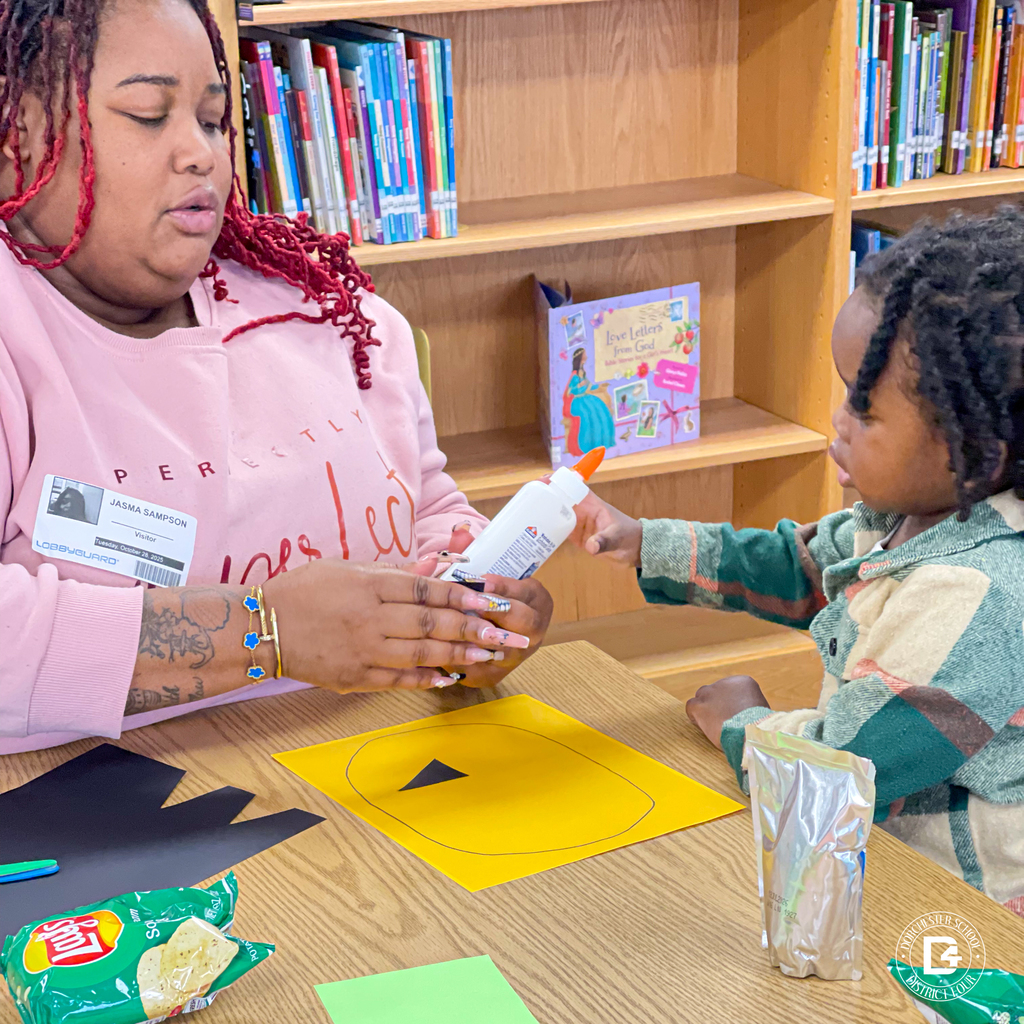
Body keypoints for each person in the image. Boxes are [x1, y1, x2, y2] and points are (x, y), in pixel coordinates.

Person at [0, 0, 552, 753]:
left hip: (372, 771)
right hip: (87, 805)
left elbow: (425, 506)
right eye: (147, 113)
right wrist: (264, 632)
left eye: (213, 118)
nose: (199, 153)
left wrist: (476, 605)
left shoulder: (323, 308)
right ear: (15, 138)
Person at [570, 210, 1024, 916]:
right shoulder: (915, 516)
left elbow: (842, 777)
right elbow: (804, 566)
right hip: (880, 864)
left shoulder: (972, 595)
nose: (836, 420)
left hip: (958, 922)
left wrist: (745, 723)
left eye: (865, 409)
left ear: (975, 449)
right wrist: (645, 540)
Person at [563, 348, 615, 456]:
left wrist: (599, 386)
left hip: (586, 398)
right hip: (577, 401)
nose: (586, 356)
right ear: (580, 358)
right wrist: (578, 386)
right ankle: (588, 445)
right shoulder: (574, 375)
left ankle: (600, 442)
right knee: (587, 414)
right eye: (584, 355)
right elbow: (569, 392)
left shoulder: (583, 372)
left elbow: (590, 386)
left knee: (601, 409)